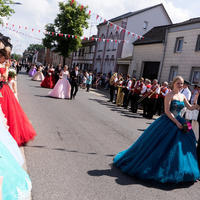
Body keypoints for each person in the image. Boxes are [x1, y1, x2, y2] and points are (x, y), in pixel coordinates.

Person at [113, 76, 200, 183]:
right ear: (173, 84)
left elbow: (190, 107)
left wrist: (196, 104)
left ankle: (180, 170)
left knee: (180, 147)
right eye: (178, 83)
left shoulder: (182, 96)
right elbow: (167, 111)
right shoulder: (169, 95)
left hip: (180, 121)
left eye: (182, 83)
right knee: (161, 146)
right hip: (169, 121)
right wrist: (177, 122)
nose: (180, 85)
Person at [0, 41, 36, 146]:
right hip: (2, 87)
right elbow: (4, 77)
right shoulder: (2, 65)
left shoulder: (2, 64)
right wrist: (6, 68)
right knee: (7, 112)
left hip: (4, 88)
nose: (5, 60)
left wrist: (6, 68)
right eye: (4, 58)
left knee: (9, 112)